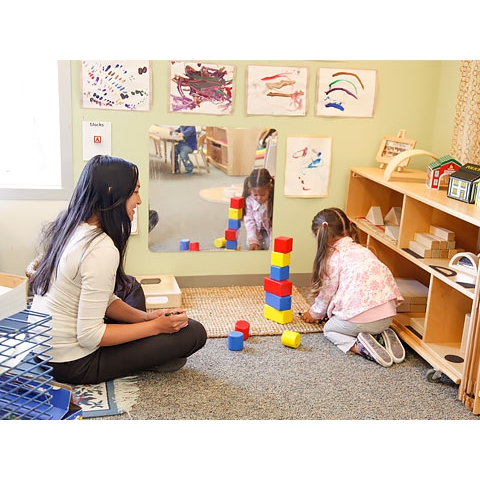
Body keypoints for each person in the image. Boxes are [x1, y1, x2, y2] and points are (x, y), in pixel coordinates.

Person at [27, 155, 207, 385]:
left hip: (42, 351)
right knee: (193, 332)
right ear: (113, 192)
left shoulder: (70, 225)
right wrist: (154, 327)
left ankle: (146, 345)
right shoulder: (100, 248)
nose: (139, 201)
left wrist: (146, 317)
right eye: (135, 192)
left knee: (131, 287)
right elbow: (89, 336)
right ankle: (150, 357)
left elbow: (101, 297)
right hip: (71, 364)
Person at [301, 207, 405, 367]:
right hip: (388, 317)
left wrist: (314, 313)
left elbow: (327, 293)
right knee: (361, 318)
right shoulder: (363, 250)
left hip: (362, 320)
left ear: (321, 236)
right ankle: (379, 335)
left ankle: (362, 348)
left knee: (330, 329)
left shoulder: (333, 258)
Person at [242, 168, 274, 250]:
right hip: (257, 229)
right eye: (255, 195)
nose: (259, 198)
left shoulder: (273, 200)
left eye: (263, 195)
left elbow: (274, 225)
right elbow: (249, 221)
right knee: (250, 244)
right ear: (251, 190)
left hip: (269, 231)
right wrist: (253, 241)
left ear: (269, 189)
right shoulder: (249, 200)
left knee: (269, 246)